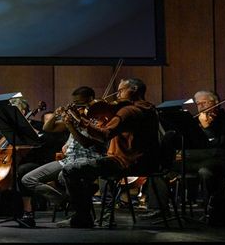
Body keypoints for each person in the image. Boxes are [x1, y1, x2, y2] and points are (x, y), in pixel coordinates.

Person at [59, 78, 160, 228]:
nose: (117, 94)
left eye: (120, 90)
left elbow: (105, 135)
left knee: (69, 170)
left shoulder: (128, 111)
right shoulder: (150, 109)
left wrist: (81, 121)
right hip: (147, 161)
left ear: (133, 90)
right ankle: (104, 218)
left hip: (125, 161)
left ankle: (82, 217)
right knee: (94, 170)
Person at [21, 86, 105, 227]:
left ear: (90, 100)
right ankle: (66, 200)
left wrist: (71, 124)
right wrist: (56, 114)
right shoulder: (76, 116)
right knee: (28, 179)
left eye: (79, 103)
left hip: (88, 159)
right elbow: (47, 128)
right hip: (68, 160)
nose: (76, 106)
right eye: (74, 103)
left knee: (65, 176)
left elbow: (85, 143)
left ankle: (78, 212)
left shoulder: (98, 118)